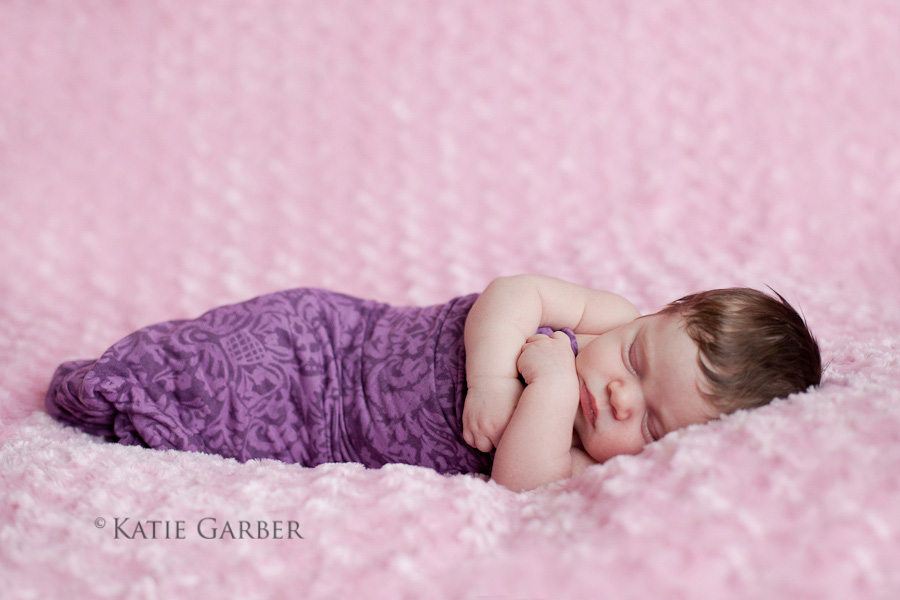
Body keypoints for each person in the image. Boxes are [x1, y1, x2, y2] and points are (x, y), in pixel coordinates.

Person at [45, 274, 821, 491]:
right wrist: (491, 377)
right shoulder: (602, 314)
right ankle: (136, 372)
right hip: (338, 338)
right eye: (638, 364)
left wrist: (548, 389)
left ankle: (139, 408)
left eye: (651, 424)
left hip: (328, 426)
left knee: (229, 414)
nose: (620, 397)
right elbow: (512, 293)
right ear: (658, 310)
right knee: (237, 348)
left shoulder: (589, 459)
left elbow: (525, 480)